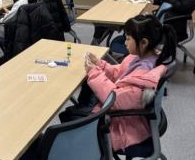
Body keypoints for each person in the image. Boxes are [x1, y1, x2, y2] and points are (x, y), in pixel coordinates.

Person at [66, 15, 176, 151]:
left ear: (143, 43)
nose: (125, 42)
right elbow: (119, 73)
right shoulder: (142, 57)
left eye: (128, 38)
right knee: (80, 102)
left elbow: (113, 100)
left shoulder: (143, 79)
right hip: (122, 108)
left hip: (124, 125)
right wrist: (99, 64)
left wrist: (94, 73)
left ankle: (84, 151)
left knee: (71, 116)